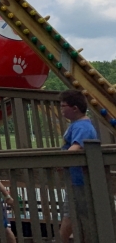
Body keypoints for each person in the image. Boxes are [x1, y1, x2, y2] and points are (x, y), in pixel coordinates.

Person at [59, 89, 98, 243]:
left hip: (80, 180)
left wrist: (58, 161)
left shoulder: (83, 127)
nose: (61, 109)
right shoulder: (77, 125)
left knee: (73, 214)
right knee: (72, 213)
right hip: (75, 179)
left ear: (74, 108)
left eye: (63, 106)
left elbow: (75, 148)